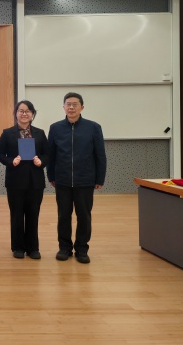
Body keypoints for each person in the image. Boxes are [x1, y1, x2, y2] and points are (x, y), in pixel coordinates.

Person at [47, 92, 106, 264]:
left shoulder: (93, 127)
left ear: (82, 107)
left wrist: (99, 178)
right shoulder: (55, 128)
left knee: (84, 216)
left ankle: (82, 249)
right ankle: (64, 247)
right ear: (63, 107)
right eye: (68, 104)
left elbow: (100, 155)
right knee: (63, 215)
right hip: (62, 180)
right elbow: (51, 155)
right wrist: (51, 175)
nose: (71, 107)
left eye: (75, 104)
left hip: (85, 180)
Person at [0, 100, 48, 260]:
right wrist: (11, 161)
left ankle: (33, 248)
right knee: (17, 215)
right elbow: (0, 154)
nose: (24, 114)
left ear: (32, 114)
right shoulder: (7, 133)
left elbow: (48, 154)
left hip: (35, 181)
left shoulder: (40, 133)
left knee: (33, 214)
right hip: (15, 180)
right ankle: (18, 247)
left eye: (28, 111)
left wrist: (41, 161)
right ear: (16, 114)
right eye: (21, 111)